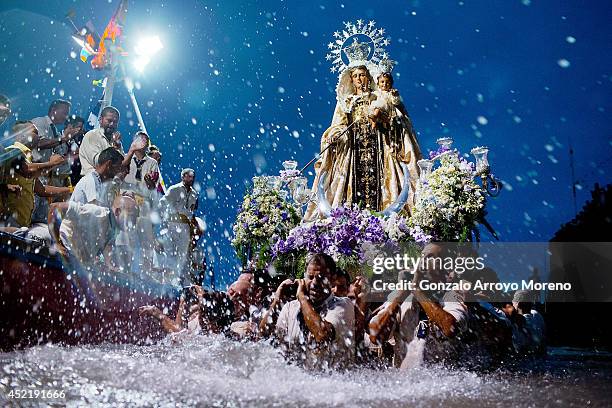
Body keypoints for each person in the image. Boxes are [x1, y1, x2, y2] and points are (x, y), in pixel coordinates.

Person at [304, 63, 421, 220]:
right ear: (351, 80)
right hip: (353, 151)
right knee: (346, 189)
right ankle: (349, 222)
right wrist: (335, 136)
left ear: (369, 77)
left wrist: (384, 118)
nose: (359, 78)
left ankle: (390, 221)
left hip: (381, 148)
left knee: (390, 185)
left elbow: (398, 118)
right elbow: (339, 124)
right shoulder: (346, 102)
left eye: (362, 74)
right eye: (356, 76)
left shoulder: (379, 96)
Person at [368, 243, 511, 369]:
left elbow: (450, 328)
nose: (422, 260)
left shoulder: (455, 294)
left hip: (444, 389)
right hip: (405, 388)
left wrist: (418, 291)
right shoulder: (401, 294)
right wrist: (398, 300)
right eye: (422, 255)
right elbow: (376, 337)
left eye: (430, 257)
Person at [260, 253, 355, 370]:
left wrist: (302, 297)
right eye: (310, 277)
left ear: (332, 280)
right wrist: (277, 300)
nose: (314, 283)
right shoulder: (291, 307)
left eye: (321, 278)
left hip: (334, 383)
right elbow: (263, 335)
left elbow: (322, 334)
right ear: (303, 278)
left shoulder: (343, 305)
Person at [0, 121, 69, 228]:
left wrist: (69, 189)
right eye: (35, 133)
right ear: (21, 135)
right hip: (10, 218)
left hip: (21, 220)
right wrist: (52, 163)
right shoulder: (13, 151)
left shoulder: (27, 157)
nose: (39, 136)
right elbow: (27, 171)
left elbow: (41, 189)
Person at [51, 194, 138, 268]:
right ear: (118, 212)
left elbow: (107, 247)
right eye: (132, 216)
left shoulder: (113, 228)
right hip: (61, 251)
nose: (134, 222)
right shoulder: (97, 213)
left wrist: (109, 266)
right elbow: (54, 208)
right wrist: (57, 243)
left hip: (73, 259)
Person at [159, 168, 200, 284]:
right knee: (170, 252)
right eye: (189, 176)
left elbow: (193, 210)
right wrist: (172, 213)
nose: (191, 179)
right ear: (183, 177)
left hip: (185, 226)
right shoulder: (174, 189)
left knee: (184, 255)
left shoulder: (194, 193)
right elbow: (162, 203)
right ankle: (167, 281)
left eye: (193, 177)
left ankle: (182, 282)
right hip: (172, 224)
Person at [78, 106, 145, 176]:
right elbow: (98, 163)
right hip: (92, 181)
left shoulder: (115, 141)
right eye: (109, 120)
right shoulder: (92, 135)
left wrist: (122, 148)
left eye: (115, 122)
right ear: (100, 119)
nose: (112, 124)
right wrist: (115, 149)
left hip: (108, 183)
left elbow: (123, 166)